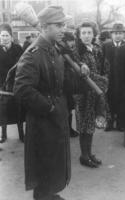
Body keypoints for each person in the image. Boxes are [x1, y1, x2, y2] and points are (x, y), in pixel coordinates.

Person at [13, 6, 90, 200]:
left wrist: (81, 73)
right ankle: (43, 195)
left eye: (63, 24)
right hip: (43, 120)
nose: (63, 29)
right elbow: (22, 89)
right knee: (45, 161)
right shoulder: (33, 54)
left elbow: (64, 84)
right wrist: (50, 107)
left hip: (57, 116)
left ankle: (48, 194)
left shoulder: (55, 50)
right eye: (59, 25)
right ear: (45, 27)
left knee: (55, 159)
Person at [75, 22, 108, 168]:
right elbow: (82, 75)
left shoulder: (97, 49)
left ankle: (89, 153)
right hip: (83, 94)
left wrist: (105, 79)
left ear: (94, 34)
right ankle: (84, 155)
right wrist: (103, 81)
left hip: (96, 92)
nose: (87, 36)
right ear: (79, 35)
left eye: (89, 33)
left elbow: (105, 68)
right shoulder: (76, 52)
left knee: (91, 125)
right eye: (84, 33)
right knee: (84, 125)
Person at [0, 23, 24, 143]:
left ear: (11, 36)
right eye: (2, 35)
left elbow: (23, 66)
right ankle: (3, 135)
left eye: (6, 35)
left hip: (16, 84)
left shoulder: (18, 48)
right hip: (3, 87)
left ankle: (21, 135)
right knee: (3, 111)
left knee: (18, 109)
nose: (4, 38)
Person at [102, 23, 125, 131]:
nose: (118, 36)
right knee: (109, 99)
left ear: (123, 34)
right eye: (116, 33)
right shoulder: (106, 45)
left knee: (121, 100)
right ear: (112, 34)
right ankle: (110, 122)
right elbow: (102, 61)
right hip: (109, 78)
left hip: (122, 79)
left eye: (120, 33)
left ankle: (120, 122)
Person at [62, 31, 79, 137]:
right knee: (65, 108)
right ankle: (65, 130)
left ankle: (69, 129)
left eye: (73, 40)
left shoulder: (71, 51)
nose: (72, 43)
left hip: (69, 83)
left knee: (68, 108)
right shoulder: (61, 51)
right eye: (69, 41)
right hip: (62, 82)